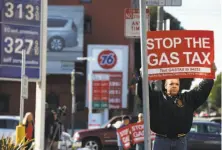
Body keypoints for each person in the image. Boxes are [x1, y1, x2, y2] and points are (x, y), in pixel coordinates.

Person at [146, 63, 215, 150]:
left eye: (177, 84)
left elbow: (201, 91)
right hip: (161, 141)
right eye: (171, 84)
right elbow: (143, 92)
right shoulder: (156, 98)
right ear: (165, 86)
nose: (174, 86)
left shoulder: (187, 98)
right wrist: (142, 76)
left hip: (180, 141)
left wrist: (209, 74)